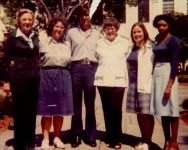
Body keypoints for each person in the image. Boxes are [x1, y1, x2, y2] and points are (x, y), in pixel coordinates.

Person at [2, 9, 40, 150]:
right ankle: (19, 144)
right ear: (19, 21)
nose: (27, 22)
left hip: (34, 79)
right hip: (19, 79)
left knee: (31, 111)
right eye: (24, 19)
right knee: (20, 111)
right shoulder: (13, 38)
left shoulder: (35, 36)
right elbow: (6, 61)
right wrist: (6, 82)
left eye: (29, 19)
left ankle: (30, 143)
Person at [66, 5, 101, 148]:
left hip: (91, 68)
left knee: (90, 105)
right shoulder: (71, 32)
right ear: (78, 17)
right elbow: (67, 51)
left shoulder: (98, 33)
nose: (85, 18)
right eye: (82, 15)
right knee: (76, 105)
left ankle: (91, 136)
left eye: (87, 15)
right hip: (75, 67)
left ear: (90, 16)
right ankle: (75, 135)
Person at [37, 16, 73, 149]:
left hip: (64, 76)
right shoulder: (43, 40)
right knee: (47, 109)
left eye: (61, 27)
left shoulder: (67, 44)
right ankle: (45, 139)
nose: (59, 29)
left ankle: (57, 137)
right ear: (52, 27)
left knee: (59, 109)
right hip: (46, 75)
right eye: (56, 26)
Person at [94, 17, 129, 149]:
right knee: (106, 110)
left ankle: (117, 138)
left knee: (116, 110)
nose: (110, 30)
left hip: (118, 81)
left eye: (113, 28)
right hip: (103, 81)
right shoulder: (99, 43)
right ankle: (110, 136)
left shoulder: (124, 43)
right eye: (108, 28)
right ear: (104, 30)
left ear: (116, 29)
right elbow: (97, 59)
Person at [150, 14, 180, 150]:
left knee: (172, 110)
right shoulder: (157, 39)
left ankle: (174, 142)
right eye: (159, 25)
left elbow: (174, 64)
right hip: (157, 74)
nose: (161, 27)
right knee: (163, 110)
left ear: (169, 26)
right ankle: (167, 140)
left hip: (168, 73)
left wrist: (169, 85)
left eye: (164, 25)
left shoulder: (174, 41)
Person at [126, 22, 154, 150]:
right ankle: (143, 138)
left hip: (145, 83)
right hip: (133, 84)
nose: (136, 34)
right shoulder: (132, 47)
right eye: (134, 32)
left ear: (144, 32)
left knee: (146, 114)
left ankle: (148, 141)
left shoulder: (151, 46)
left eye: (139, 31)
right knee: (139, 113)